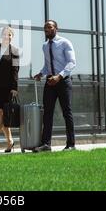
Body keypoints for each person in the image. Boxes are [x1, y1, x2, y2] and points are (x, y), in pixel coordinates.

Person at [33, 20, 77, 152]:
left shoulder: (65, 43)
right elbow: (47, 65)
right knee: (47, 113)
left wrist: (59, 76)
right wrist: (41, 73)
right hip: (50, 82)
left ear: (56, 28)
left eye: (50, 27)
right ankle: (46, 144)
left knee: (66, 112)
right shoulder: (45, 46)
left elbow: (71, 63)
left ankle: (71, 144)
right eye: (45, 27)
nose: (47, 29)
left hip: (63, 81)